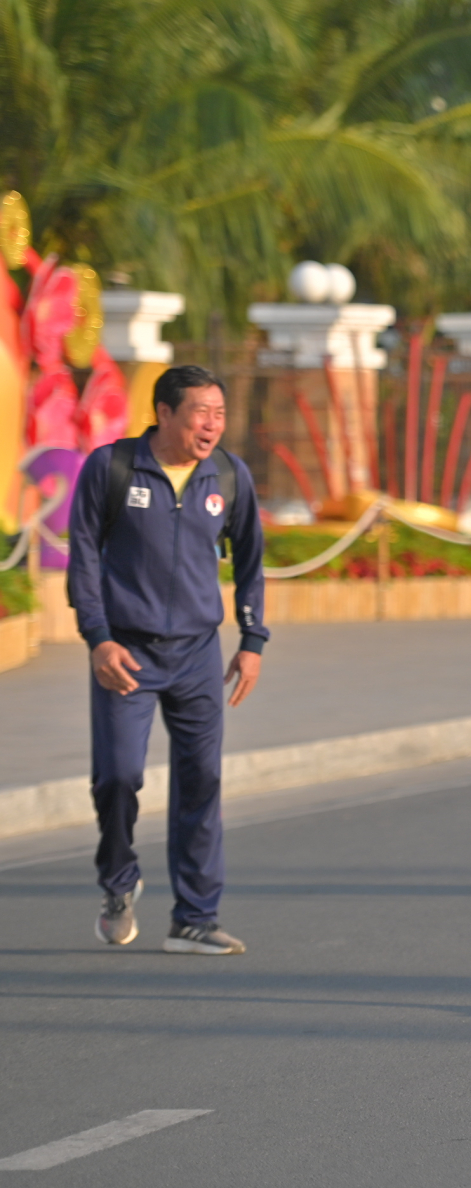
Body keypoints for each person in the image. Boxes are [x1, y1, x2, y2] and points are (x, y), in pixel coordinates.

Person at [67, 366, 268, 955]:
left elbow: (253, 561)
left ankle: (195, 918)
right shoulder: (112, 468)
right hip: (123, 653)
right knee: (118, 777)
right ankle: (118, 881)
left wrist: (252, 642)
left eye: (220, 413)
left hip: (199, 656)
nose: (212, 425)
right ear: (164, 412)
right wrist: (98, 638)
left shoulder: (228, 475)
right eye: (200, 412)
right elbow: (82, 561)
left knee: (202, 782)